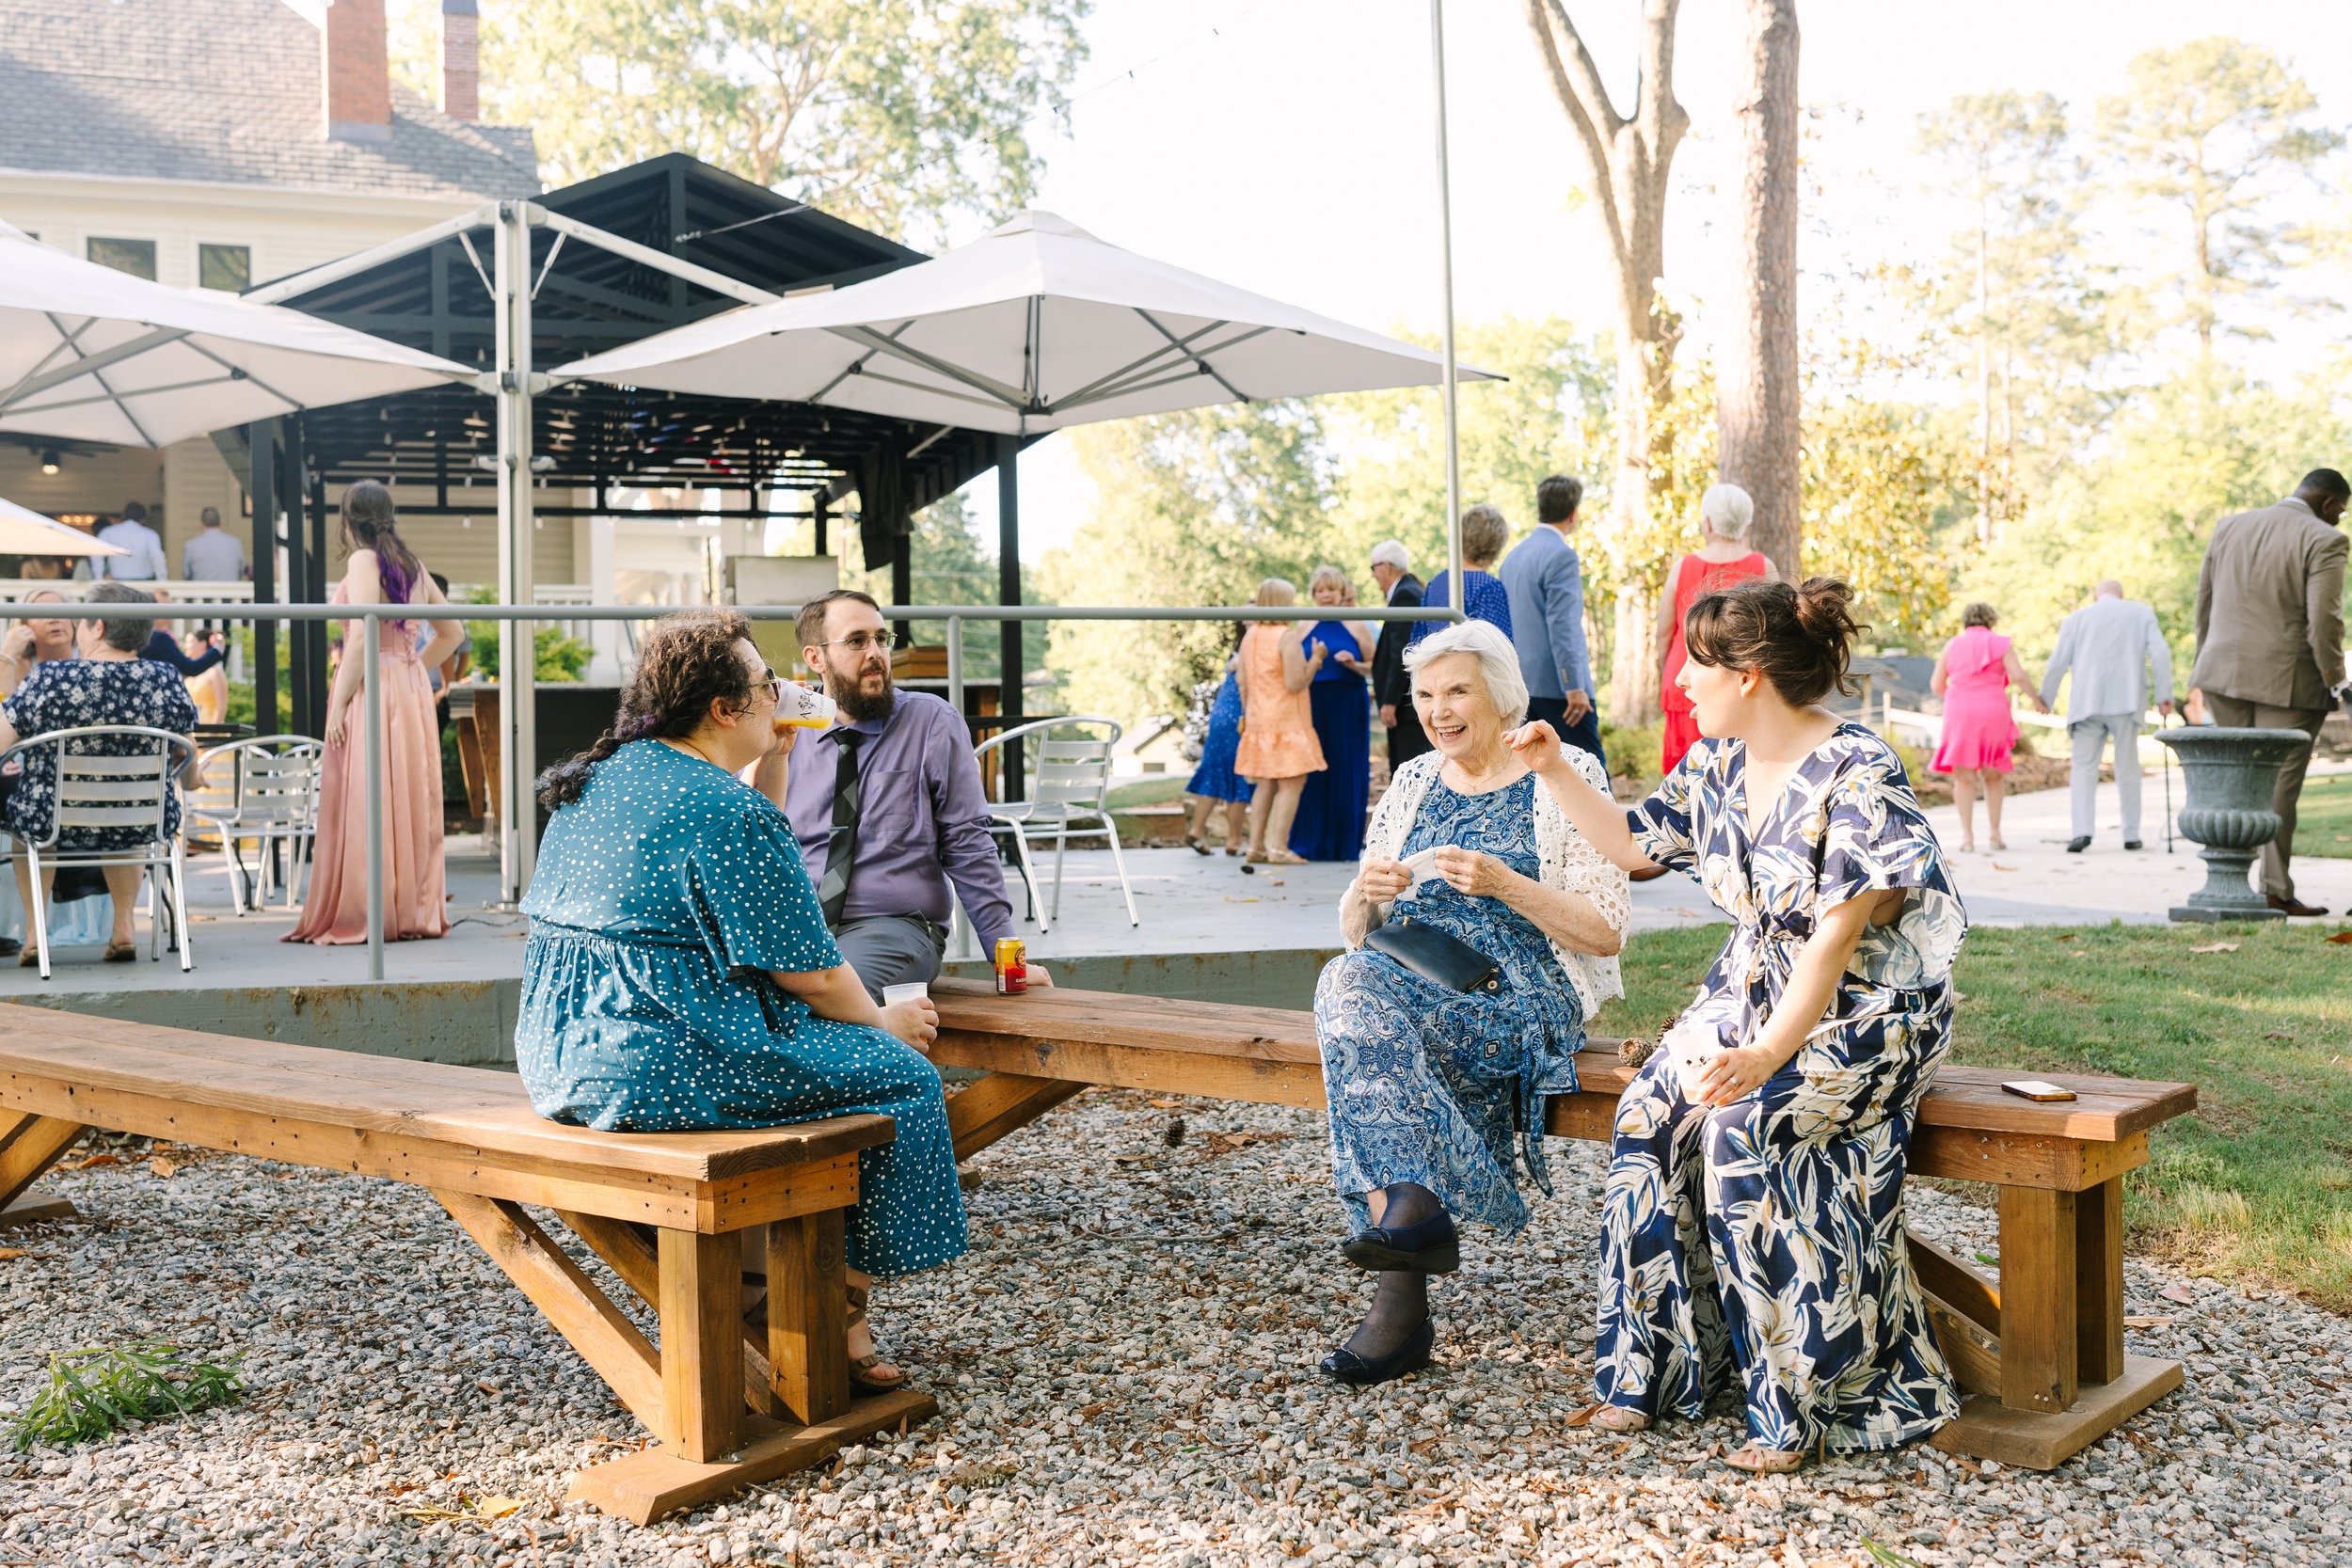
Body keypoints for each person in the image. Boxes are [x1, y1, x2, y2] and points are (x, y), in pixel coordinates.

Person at [1515, 576, 1966, 1473]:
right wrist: (1553, 765)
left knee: (1737, 1131)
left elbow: (1836, 946)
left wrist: (1763, 1055)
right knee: (1645, 1119)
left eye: (1697, 662)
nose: (1681, 679)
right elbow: (1636, 847)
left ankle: (1791, 1401)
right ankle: (1652, 1374)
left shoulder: (1858, 768)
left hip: (1872, 1010)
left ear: (1751, 672)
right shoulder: (1717, 765)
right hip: (1754, 992)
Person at [518, 609, 961, 1390]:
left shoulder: (597, 778)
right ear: (724, 709)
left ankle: (761, 1291)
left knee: (798, 1060)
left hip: (559, 1054)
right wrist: (887, 1022)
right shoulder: (725, 809)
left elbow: (750, 875)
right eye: (766, 684)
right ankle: (843, 1312)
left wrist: (776, 768)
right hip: (654, 1061)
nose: (782, 693)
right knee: (904, 1079)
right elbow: (812, 972)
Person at [1314, 618, 1629, 1386]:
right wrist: (1369, 895)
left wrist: (1504, 884)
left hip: (1521, 983)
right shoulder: (1416, 779)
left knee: (1354, 1017)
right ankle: (1414, 1215)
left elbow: (1604, 930)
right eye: (1425, 693)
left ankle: (1401, 1294)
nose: (1438, 709)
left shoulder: (1564, 767)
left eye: (1457, 689)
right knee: (1346, 983)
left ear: (1500, 693)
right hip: (1408, 967)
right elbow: (1358, 930)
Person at [781, 589, 1043, 1001]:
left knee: (835, 998)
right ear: (816, 659)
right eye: (856, 641)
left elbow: (968, 841)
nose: (876, 653)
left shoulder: (931, 722)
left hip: (895, 926)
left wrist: (1003, 951)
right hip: (799, 926)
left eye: (881, 639)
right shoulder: (787, 733)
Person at [286, 483, 461, 945]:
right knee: (407, 794)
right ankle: (411, 910)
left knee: (370, 794)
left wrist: (339, 701)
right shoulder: (413, 565)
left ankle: (373, 911)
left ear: (347, 519)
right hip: (406, 686)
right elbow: (453, 633)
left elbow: (361, 637)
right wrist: (409, 668)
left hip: (373, 684)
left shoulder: (364, 560)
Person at [0, 582, 199, 963]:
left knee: (27, 829)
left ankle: (33, 934)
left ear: (100, 628)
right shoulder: (167, 678)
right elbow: (186, 759)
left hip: (54, 822)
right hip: (143, 821)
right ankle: (123, 927)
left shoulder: (51, 679)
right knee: (130, 809)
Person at [2187, 467, 2350, 917]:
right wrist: (2337, 679)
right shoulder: (2325, 539)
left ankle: (2231, 885)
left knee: (2239, 780)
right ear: (2329, 504)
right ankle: (2275, 888)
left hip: (2222, 671)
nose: (2340, 520)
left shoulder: (2230, 525)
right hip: (2289, 680)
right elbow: (2325, 622)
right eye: (2341, 512)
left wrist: (2202, 665)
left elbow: (2204, 601)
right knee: (2279, 787)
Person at [2040, 579, 2175, 854]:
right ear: (2121, 594)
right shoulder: (2140, 612)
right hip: (2126, 700)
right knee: (2127, 768)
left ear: (2095, 595)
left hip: (2086, 702)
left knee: (2083, 769)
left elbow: (2057, 661)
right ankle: (2131, 834)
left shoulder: (2076, 618)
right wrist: (2164, 695)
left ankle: (2082, 831)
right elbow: (2160, 653)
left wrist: (2046, 698)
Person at [1658, 483, 1776, 776]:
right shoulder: (1764, 567)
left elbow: (1663, 633)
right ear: (1745, 524)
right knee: (1738, 770)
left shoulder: (1682, 568)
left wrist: (1669, 672)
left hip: (1687, 678)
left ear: (1707, 523)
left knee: (1686, 775)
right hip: (1741, 683)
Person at [1500, 474, 1603, 768]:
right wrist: (1574, 685)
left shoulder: (1513, 558)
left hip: (1521, 686)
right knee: (1591, 773)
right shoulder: (1562, 556)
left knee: (1535, 777)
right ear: (1574, 513)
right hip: (1560, 691)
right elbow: (1564, 626)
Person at [1929, 603, 2047, 854]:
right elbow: (2019, 676)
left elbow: (1937, 684)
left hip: (1959, 709)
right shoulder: (2001, 643)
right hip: (1993, 709)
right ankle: (1995, 833)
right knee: (1993, 775)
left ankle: (1967, 838)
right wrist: (2037, 700)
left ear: (1965, 621)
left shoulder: (1952, 645)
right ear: (1992, 621)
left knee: (1963, 777)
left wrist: (1959, 695)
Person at [1232, 578, 1325, 866]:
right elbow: (1296, 682)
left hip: (1260, 720)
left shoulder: (1251, 636)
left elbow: (1241, 680)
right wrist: (1316, 660)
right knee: (1292, 784)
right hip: (1287, 720)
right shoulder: (1286, 636)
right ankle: (1279, 847)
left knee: (1265, 785)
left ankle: (1255, 846)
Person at [1288, 564, 1375, 862]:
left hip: (1348, 703)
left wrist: (1354, 665)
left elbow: (1375, 666)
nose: (1325, 595)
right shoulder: (1302, 626)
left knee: (1346, 769)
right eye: (1320, 590)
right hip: (1310, 704)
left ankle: (1344, 844)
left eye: (1331, 590)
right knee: (1311, 770)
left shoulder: (1357, 625)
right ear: (1313, 594)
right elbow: (1292, 670)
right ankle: (1308, 842)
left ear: (1342, 593)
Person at [1181, 627, 1250, 856]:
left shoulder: (1239, 649)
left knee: (1214, 771)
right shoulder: (1252, 647)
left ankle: (1197, 829)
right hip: (1239, 716)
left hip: (1220, 716)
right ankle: (1234, 839)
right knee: (1238, 774)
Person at [1406, 504, 1514, 648]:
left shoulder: (1437, 582)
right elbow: (1500, 648)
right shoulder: (1488, 587)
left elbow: (1417, 639)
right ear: (1497, 543)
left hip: (1435, 666)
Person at [1367, 540, 1430, 768]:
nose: (1373, 575)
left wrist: (1390, 701)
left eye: (1373, 568)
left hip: (1405, 707)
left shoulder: (1405, 595)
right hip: (1407, 704)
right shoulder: (1410, 589)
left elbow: (1402, 652)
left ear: (1385, 566)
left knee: (1406, 769)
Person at [94, 502, 167, 582]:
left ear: (123, 516)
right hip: (144, 584)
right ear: (143, 519)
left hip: (118, 584)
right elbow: (157, 557)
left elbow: (97, 556)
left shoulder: (108, 532)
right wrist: (162, 581)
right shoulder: (150, 534)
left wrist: (98, 579)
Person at [180, 505, 247, 582]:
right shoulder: (236, 543)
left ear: (202, 524)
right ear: (220, 523)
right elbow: (241, 571)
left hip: (200, 593)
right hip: (231, 593)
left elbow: (186, 575)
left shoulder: (190, 546)